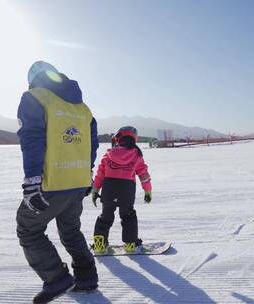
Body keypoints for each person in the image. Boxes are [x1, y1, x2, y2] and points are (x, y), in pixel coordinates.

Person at [16, 61, 99, 304]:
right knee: (71, 231)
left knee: (28, 230)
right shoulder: (83, 109)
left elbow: (31, 140)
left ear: (33, 79)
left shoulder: (34, 97)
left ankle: (56, 278)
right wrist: (88, 175)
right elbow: (92, 145)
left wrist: (32, 181)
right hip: (77, 182)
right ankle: (86, 279)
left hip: (51, 182)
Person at [91, 126, 152, 254]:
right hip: (126, 190)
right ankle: (131, 244)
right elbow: (143, 175)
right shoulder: (136, 155)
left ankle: (99, 245)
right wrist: (148, 191)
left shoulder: (108, 155)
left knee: (105, 217)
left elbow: (100, 174)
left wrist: (95, 190)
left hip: (109, 189)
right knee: (128, 215)